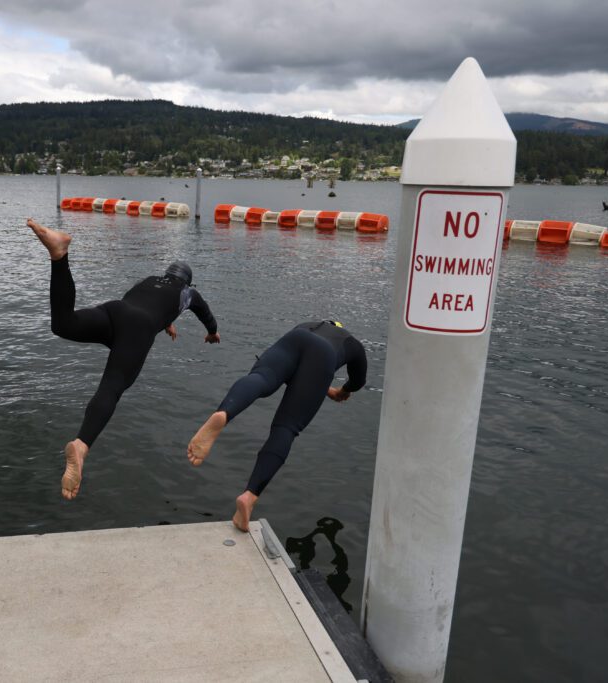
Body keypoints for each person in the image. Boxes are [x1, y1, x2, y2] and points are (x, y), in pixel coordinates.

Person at [26, 218, 221, 500]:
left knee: (63, 324)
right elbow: (205, 314)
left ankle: (59, 257)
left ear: (167, 273)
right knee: (112, 387)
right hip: (138, 329)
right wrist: (213, 332)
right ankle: (81, 445)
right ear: (187, 281)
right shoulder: (188, 292)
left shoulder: (150, 280)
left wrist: (165, 320)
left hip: (115, 312)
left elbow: (146, 303)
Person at [187, 320, 367, 531]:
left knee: (260, 378)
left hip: (292, 341)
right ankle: (249, 497)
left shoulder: (307, 324)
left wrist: (319, 385)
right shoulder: (351, 343)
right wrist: (342, 390)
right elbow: (358, 380)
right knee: (286, 428)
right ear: (341, 327)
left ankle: (224, 413)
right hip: (323, 359)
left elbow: (292, 369)